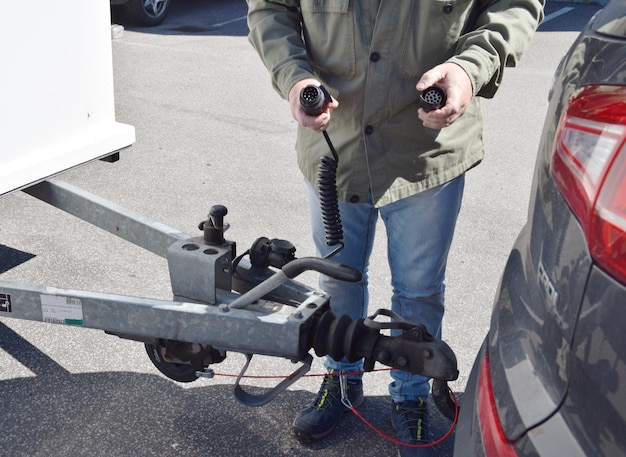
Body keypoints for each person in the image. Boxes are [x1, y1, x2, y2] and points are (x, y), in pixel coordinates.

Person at [246, 1, 544, 455]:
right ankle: (343, 381)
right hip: (335, 144)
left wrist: (469, 69)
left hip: (426, 151)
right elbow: (270, 8)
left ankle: (412, 395)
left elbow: (514, 7)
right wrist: (294, 76)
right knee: (337, 280)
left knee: (419, 290)